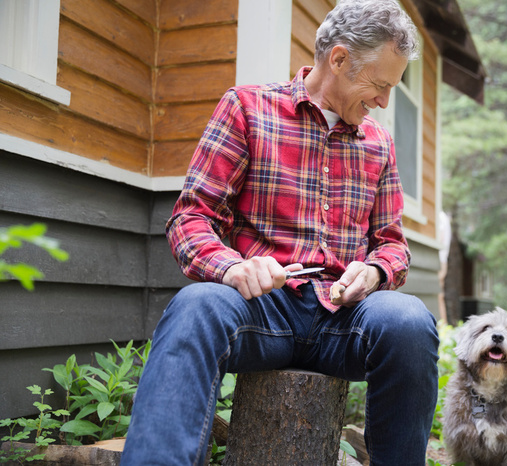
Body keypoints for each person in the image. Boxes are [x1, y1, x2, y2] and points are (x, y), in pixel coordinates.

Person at [120, 1, 439, 464]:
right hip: (261, 310)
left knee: (410, 322)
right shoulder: (247, 107)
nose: (384, 102)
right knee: (194, 306)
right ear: (340, 59)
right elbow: (191, 217)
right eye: (380, 85)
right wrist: (232, 267)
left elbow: (392, 245)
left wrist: (373, 271)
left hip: (344, 320)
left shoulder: (379, 142)